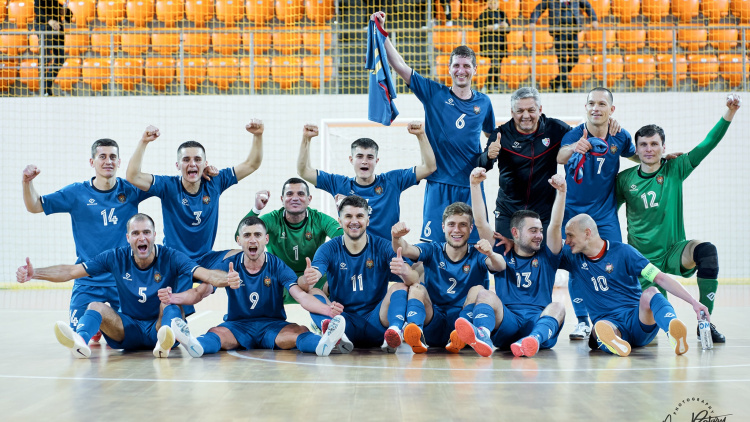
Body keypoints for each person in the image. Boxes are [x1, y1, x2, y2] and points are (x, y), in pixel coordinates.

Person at [615, 94, 741, 344]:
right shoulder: (624, 179)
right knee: (648, 337)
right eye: (643, 145)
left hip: (674, 250)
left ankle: (705, 322)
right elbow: (606, 213)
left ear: (664, 147)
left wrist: (730, 112)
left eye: (654, 144)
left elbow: (707, 144)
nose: (649, 149)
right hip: (641, 260)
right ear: (636, 149)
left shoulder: (675, 168)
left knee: (707, 251)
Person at [16, 214, 226, 359]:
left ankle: (165, 344)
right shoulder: (115, 257)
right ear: (128, 238)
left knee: (170, 304)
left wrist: (231, 279)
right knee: (96, 306)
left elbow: (205, 274)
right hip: (128, 330)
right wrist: (36, 274)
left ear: (154, 235)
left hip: (159, 326)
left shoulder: (171, 256)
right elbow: (72, 271)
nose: (141, 237)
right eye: (135, 233)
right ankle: (81, 342)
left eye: (146, 232)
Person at [373, 11, 496, 243]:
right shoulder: (434, 94)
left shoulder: (484, 102)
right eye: (457, 65)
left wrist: (489, 155)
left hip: (471, 185)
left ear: (475, 70)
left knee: (476, 247)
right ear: (449, 69)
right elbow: (399, 65)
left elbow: (491, 135)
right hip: (438, 182)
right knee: (433, 248)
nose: (461, 70)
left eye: (467, 66)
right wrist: (382, 32)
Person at [159, 216, 351, 357]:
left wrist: (328, 310)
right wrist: (174, 298)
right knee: (216, 333)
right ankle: (195, 345)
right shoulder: (228, 265)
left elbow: (301, 296)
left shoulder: (277, 265)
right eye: (247, 235)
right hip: (237, 326)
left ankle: (322, 344)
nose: (253, 240)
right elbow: (199, 293)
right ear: (239, 240)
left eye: (258, 235)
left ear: (266, 240)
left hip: (272, 326)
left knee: (298, 331)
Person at [22, 138, 155, 340]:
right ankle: (95, 327)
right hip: (87, 280)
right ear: (92, 162)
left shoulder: (131, 189)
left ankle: (103, 324)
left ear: (119, 162)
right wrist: (27, 182)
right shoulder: (76, 193)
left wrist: (200, 175)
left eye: (113, 157)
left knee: (127, 337)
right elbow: (34, 206)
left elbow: (170, 186)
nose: (108, 161)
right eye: (102, 156)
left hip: (124, 281)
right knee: (78, 336)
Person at [453, 168, 567, 358]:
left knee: (558, 307)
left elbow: (555, 225)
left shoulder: (548, 255)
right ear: (515, 233)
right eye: (533, 231)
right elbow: (481, 223)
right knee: (484, 294)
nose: (539, 235)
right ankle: (483, 335)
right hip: (507, 321)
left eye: (540, 230)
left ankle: (533, 341)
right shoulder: (500, 252)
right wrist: (474, 185)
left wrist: (561, 192)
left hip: (538, 322)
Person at [559, 214, 710, 357]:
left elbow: (661, 278)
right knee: (600, 328)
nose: (566, 241)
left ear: (587, 233)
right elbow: (553, 238)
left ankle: (672, 330)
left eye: (570, 235)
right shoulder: (573, 258)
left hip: (638, 321)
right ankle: (615, 343)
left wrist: (694, 302)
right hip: (611, 324)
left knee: (651, 292)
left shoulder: (623, 252)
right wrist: (561, 194)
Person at [556, 87, 635, 340]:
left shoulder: (619, 135)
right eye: (591, 103)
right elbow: (559, 157)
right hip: (573, 216)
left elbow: (636, 154)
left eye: (602, 104)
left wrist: (662, 157)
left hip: (604, 216)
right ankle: (582, 322)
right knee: (576, 266)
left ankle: (620, 318)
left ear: (611, 110)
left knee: (617, 262)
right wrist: (574, 148)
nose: (595, 108)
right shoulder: (574, 133)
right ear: (586, 107)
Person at [126, 123, 263, 260]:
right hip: (174, 260)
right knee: (204, 280)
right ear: (177, 165)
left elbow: (252, 164)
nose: (192, 164)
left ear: (205, 164)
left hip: (206, 259)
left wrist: (258, 135)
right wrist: (143, 142)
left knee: (246, 257)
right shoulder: (168, 186)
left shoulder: (214, 181)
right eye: (186, 160)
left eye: (197, 159)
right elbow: (133, 176)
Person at [303, 195, 419, 351]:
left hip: (377, 321)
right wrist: (313, 275)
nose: (354, 221)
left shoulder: (383, 246)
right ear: (339, 221)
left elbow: (414, 279)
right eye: (348, 216)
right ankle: (335, 334)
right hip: (343, 320)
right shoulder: (328, 248)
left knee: (401, 287)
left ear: (368, 221)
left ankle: (394, 332)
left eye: (359, 216)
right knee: (312, 292)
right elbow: (315, 273)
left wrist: (405, 271)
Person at [389, 202, 503, 354]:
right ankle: (416, 331)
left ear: (471, 229)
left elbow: (500, 266)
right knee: (417, 288)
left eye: (463, 225)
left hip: (463, 323)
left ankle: (461, 334)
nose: (456, 230)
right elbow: (406, 248)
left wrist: (491, 253)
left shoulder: (478, 253)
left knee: (478, 290)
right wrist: (396, 237)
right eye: (451, 224)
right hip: (433, 319)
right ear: (443, 227)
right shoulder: (433, 249)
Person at [297, 121, 436, 240]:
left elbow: (429, 167)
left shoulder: (392, 181)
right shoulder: (339, 184)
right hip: (353, 257)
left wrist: (421, 135)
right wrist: (306, 138)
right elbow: (304, 171)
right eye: (359, 156)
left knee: (418, 267)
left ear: (376, 161)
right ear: (351, 160)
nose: (364, 161)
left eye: (370, 157)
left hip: (386, 256)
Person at [237, 178, 343, 304]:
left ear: (309, 199)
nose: (295, 198)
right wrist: (256, 210)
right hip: (278, 279)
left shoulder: (319, 219)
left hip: (314, 278)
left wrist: (344, 212)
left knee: (341, 280)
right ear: (282, 199)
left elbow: (343, 239)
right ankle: (264, 320)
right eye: (289, 194)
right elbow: (240, 236)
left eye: (301, 194)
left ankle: (325, 321)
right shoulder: (272, 219)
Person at [529, 0, 598, 92]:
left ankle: (556, 81)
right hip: (559, 33)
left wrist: (594, 19)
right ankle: (567, 87)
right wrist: (533, 21)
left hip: (573, 32)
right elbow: (539, 8)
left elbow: (587, 6)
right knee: (562, 59)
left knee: (575, 58)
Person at [35, 0, 71, 96]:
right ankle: (45, 89)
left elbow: (69, 17)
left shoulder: (56, 3)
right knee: (45, 58)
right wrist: (49, 20)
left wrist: (66, 11)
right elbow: (37, 9)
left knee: (60, 57)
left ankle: (46, 86)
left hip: (57, 30)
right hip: (44, 28)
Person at [473, 0, 509, 92]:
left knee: (497, 64)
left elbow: (509, 29)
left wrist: (506, 25)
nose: (493, 5)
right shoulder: (484, 14)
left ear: (498, 3)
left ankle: (493, 85)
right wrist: (486, 27)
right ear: (488, 4)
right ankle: (490, 85)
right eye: (491, 3)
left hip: (500, 44)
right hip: (489, 44)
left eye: (495, 3)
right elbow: (476, 24)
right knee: (496, 63)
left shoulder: (502, 13)